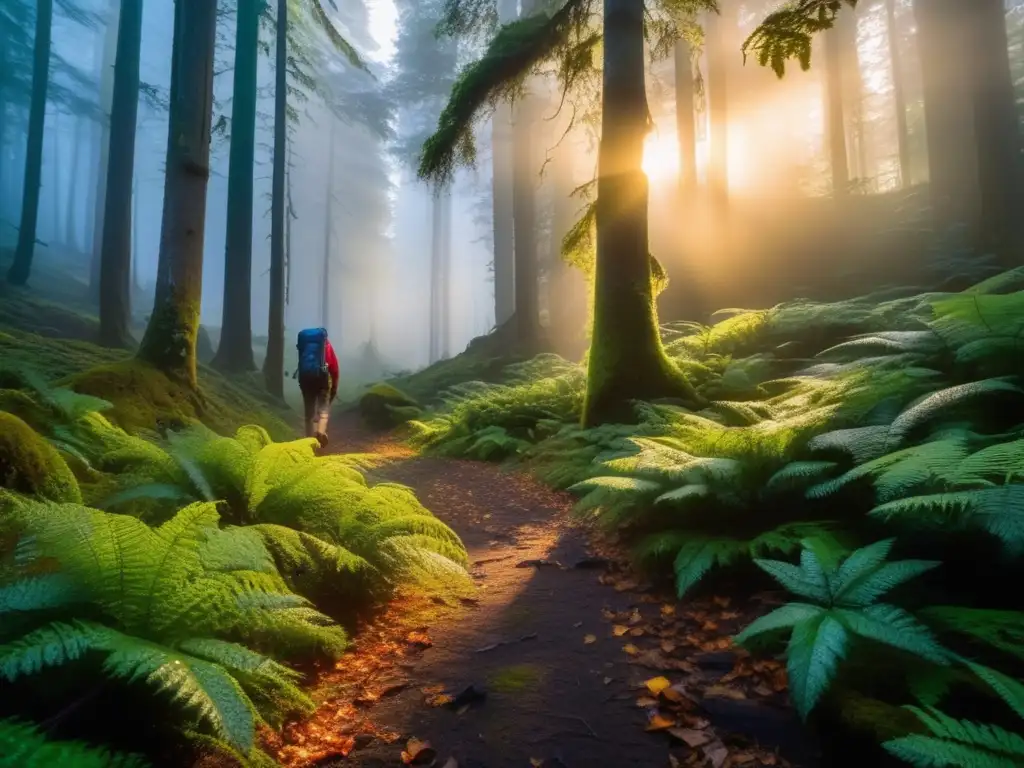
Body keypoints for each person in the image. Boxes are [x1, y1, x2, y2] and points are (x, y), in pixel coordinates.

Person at [294, 327, 339, 447]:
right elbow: (334, 368)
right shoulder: (326, 346)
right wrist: (334, 387)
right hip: (321, 380)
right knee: (323, 411)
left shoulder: (305, 345)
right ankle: (320, 432)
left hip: (305, 379)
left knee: (309, 415)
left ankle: (309, 443)